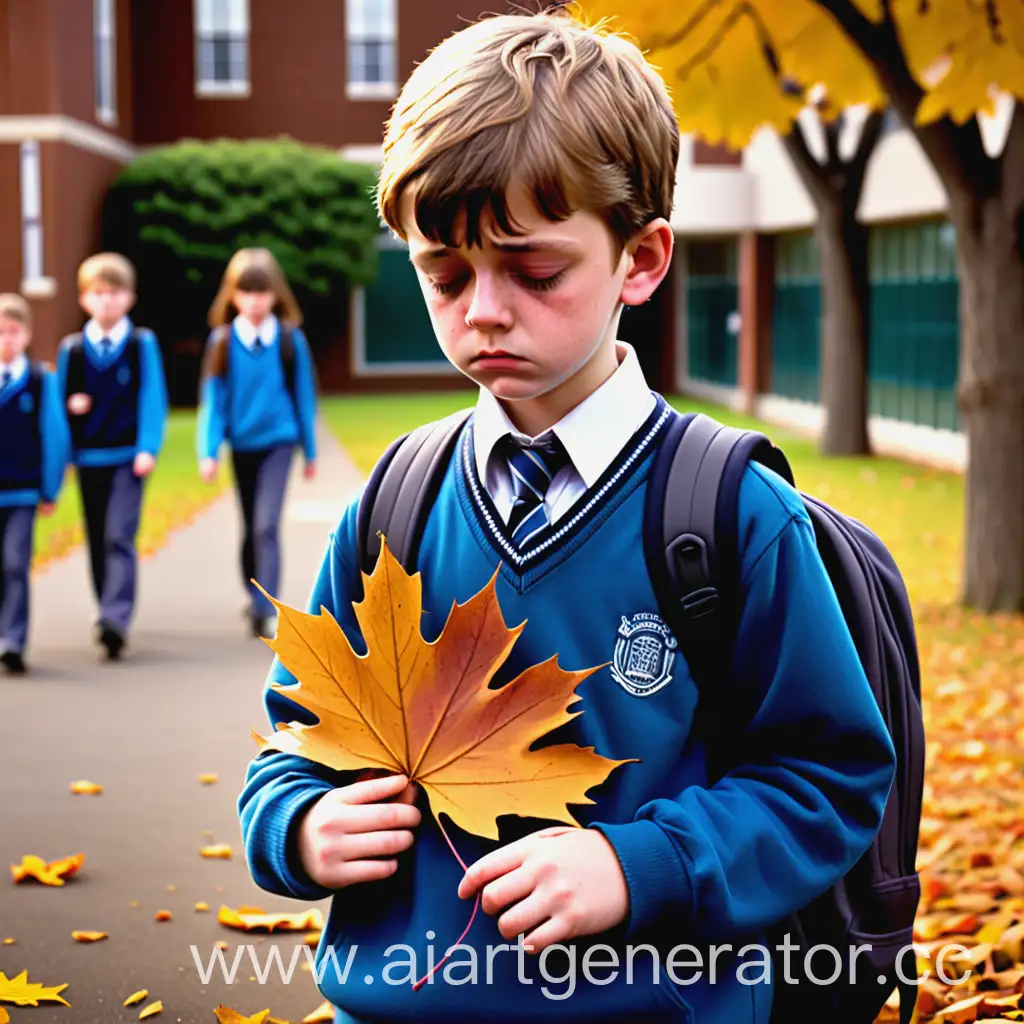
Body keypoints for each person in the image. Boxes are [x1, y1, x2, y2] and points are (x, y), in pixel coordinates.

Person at [237, 9, 897, 1023]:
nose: (483, 310)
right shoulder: (396, 501)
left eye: (533, 270)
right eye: (443, 274)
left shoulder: (727, 513)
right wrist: (295, 821)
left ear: (640, 259)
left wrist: (639, 865)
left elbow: (829, 771)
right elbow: (298, 735)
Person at [196, 247, 318, 638]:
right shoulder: (221, 342)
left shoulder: (289, 340)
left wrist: (310, 450)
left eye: (262, 292)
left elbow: (304, 397)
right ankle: (255, 595)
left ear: (275, 295)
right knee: (250, 528)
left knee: (267, 525)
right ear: (233, 297)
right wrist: (208, 451)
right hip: (241, 446)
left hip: (278, 444)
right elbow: (213, 403)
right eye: (246, 293)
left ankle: (267, 608)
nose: (255, 301)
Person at [56, 253, 168, 661]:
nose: (107, 301)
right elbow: (56, 412)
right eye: (98, 294)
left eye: (115, 293)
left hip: (127, 459)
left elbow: (152, 397)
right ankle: (106, 607)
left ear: (129, 298)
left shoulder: (140, 345)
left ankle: (115, 619)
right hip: (88, 460)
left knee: (119, 535)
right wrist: (69, 423)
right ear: (85, 299)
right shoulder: (73, 351)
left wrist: (147, 447)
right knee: (98, 540)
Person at [0, 294, 69, 675]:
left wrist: (49, 488)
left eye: (12, 332)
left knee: (14, 563)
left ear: (25, 334)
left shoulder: (41, 380)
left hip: (23, 492)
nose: (6, 340)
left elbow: (54, 435)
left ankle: (13, 639)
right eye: (0, 333)